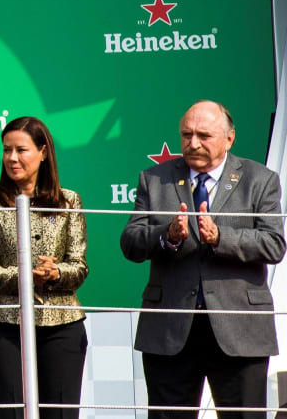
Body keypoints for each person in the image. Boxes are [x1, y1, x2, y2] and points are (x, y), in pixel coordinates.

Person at [120, 100, 285, 419]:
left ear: (229, 138)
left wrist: (221, 237)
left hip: (240, 330)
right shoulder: (154, 179)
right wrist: (166, 235)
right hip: (170, 329)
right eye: (186, 134)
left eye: (203, 135)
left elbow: (274, 244)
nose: (192, 143)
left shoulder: (260, 179)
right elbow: (130, 242)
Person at [0, 116, 88, 419]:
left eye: (21, 150)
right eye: (7, 150)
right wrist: (25, 277)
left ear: (44, 152)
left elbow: (79, 267)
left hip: (61, 324)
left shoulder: (68, 201)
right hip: (4, 325)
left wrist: (55, 273)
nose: (11, 158)